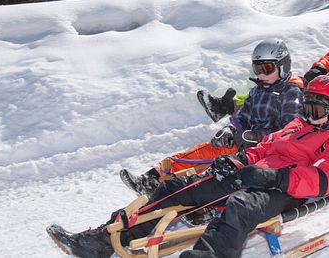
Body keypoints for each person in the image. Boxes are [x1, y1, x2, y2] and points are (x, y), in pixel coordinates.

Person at [47, 75, 329, 258]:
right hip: (252, 174)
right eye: (307, 104)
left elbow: (319, 181)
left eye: (316, 106)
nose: (309, 111)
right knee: (174, 187)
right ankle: (103, 240)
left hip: (282, 190)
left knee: (239, 206)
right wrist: (236, 159)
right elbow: (262, 148)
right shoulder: (297, 124)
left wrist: (271, 176)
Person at [120, 39, 304, 195]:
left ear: (283, 66)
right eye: (257, 69)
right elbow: (243, 115)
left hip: (262, 153)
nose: (261, 74)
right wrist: (230, 129)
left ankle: (194, 202)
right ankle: (151, 179)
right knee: (197, 154)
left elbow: (290, 130)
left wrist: (254, 137)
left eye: (267, 68)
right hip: (240, 143)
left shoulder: (291, 93)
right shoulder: (257, 91)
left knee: (214, 176)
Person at [201, 6, 329, 119]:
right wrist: (320, 67)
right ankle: (228, 105)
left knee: (308, 102)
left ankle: (277, 124)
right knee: (288, 84)